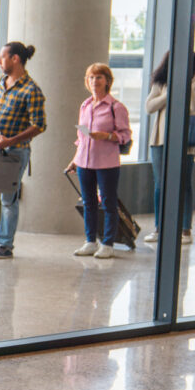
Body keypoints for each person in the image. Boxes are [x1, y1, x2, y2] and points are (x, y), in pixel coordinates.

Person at [64, 63, 131, 259]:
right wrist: (74, 160)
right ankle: (90, 241)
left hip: (107, 163)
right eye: (91, 78)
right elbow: (81, 138)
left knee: (108, 203)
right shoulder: (85, 105)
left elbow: (125, 135)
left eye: (99, 77)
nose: (94, 81)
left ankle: (108, 243)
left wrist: (107, 136)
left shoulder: (115, 107)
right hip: (85, 162)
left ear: (107, 81)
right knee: (88, 202)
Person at [0, 41, 46, 259]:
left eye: (3, 57)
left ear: (15, 59)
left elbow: (39, 125)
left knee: (8, 200)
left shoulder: (31, 90)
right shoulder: (0, 83)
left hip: (14, 153)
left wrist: (10, 140)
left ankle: (5, 245)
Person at [143, 51, 195, 245]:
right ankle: (159, 228)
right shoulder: (161, 82)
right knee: (160, 184)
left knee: (184, 184)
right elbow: (149, 107)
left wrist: (184, 86)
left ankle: (186, 230)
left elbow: (194, 107)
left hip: (186, 140)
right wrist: (167, 95)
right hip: (160, 139)